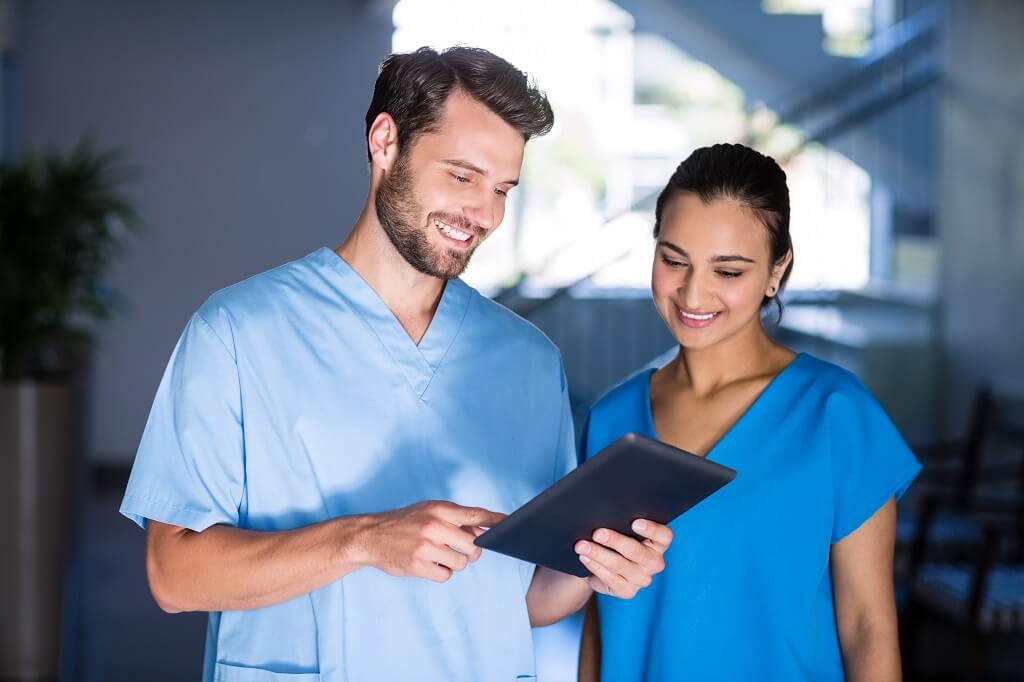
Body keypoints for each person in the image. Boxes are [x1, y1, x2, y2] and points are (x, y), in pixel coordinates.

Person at [119, 46, 674, 682]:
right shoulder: (238, 333)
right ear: (385, 141)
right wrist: (362, 539)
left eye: (502, 189)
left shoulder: (528, 360)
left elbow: (523, 601)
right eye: (463, 177)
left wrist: (595, 566)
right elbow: (173, 576)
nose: (485, 215)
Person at [578, 143, 921, 682]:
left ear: (775, 270)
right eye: (673, 260)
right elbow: (599, 620)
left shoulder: (836, 414)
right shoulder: (611, 419)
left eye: (729, 271)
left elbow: (867, 627)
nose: (693, 291)